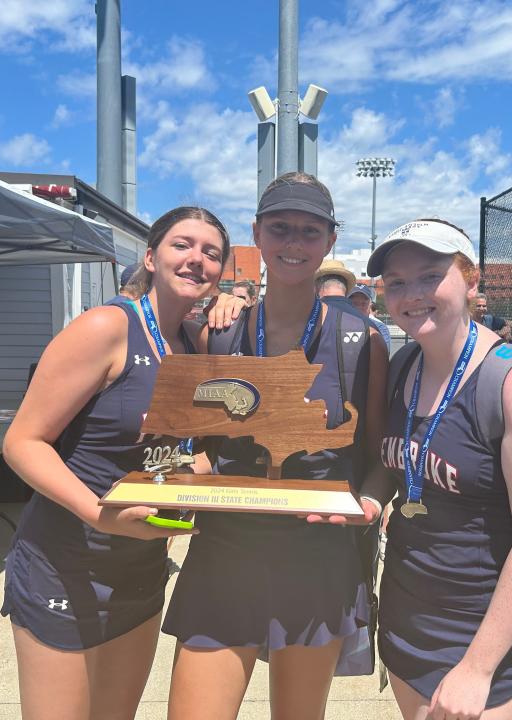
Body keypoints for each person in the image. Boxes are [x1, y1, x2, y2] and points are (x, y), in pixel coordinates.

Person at [0, 206, 244, 720]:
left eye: (211, 252)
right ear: (151, 257)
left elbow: (184, 453)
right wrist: (98, 512)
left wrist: (203, 482)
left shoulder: (191, 344)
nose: (196, 259)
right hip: (65, 564)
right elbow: (23, 442)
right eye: (183, 245)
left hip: (141, 569)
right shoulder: (107, 326)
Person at [163, 172, 389, 720]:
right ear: (258, 234)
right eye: (280, 228)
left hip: (317, 558)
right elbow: (193, 441)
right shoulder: (217, 332)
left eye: (309, 232)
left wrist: (373, 501)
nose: (294, 243)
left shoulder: (362, 339)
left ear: (329, 242)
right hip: (226, 551)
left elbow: (379, 458)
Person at [361, 218, 512, 719]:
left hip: (483, 636)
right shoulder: (405, 365)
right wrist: (370, 497)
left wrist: (476, 669)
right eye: (397, 283)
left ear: (471, 280)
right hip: (408, 619)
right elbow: (396, 466)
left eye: (430, 275)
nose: (412, 294)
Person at [349, 283, 392, 350]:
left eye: (363, 304)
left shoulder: (379, 327)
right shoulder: (337, 324)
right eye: (354, 303)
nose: (359, 308)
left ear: (370, 305)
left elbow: (383, 355)